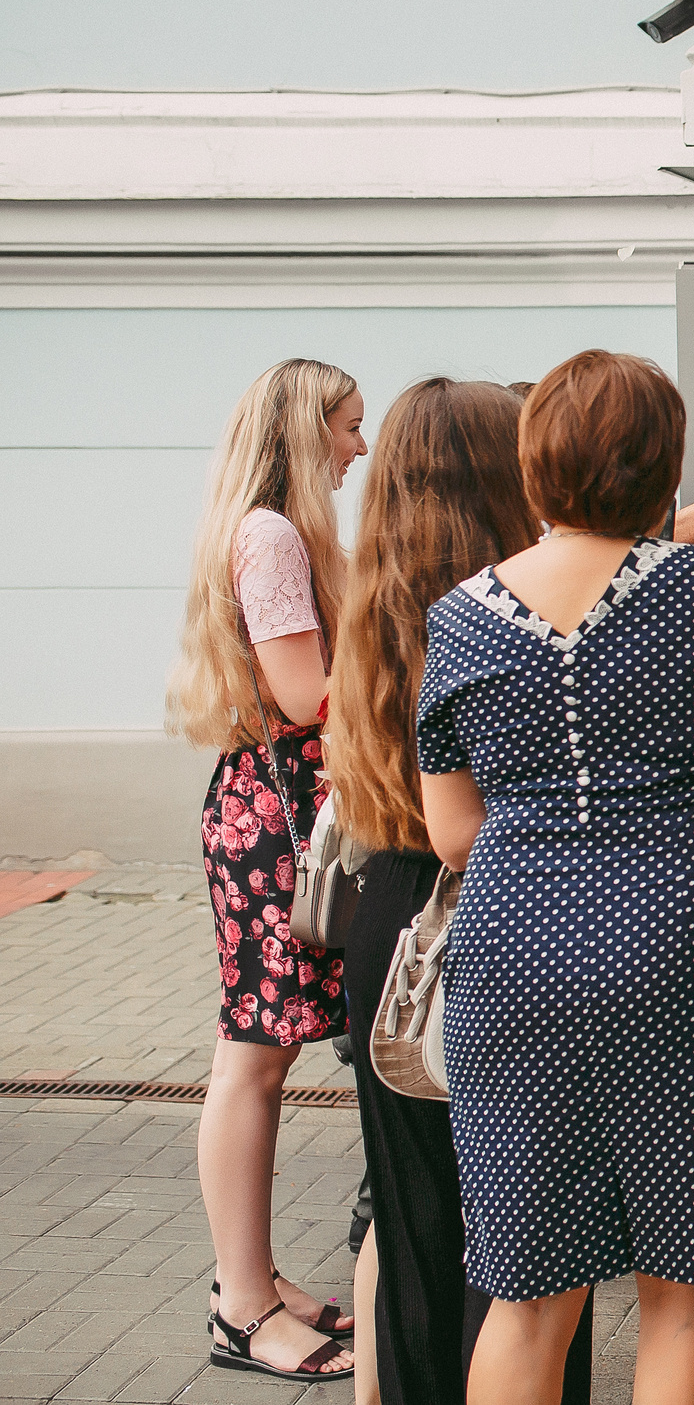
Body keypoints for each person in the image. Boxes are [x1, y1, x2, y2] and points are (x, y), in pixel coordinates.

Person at [326, 378, 694, 1405]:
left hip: (512, 964)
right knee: (683, 1279)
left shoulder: (459, 617)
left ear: (532, 465)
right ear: (668, 465)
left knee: (527, 1296)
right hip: (682, 950)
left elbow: (454, 834)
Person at [169, 357, 368, 1382]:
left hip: (272, 808)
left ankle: (253, 1280)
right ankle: (243, 1307)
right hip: (278, 817)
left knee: (261, 1055)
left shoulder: (264, 529)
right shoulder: (275, 533)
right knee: (253, 1058)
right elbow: (302, 693)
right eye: (347, 426)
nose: (360, 447)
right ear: (304, 429)